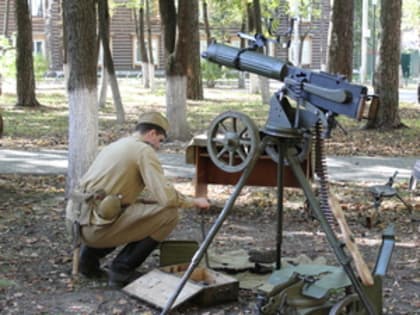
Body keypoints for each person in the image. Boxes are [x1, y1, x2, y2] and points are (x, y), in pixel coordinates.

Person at [65, 111, 210, 287]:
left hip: (76, 223)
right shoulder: (143, 150)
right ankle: (122, 270)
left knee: (129, 210)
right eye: (160, 140)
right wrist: (194, 201)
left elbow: (125, 192)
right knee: (169, 215)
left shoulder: (119, 144)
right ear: (152, 133)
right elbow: (167, 198)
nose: (158, 146)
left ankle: (88, 261)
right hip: (94, 229)